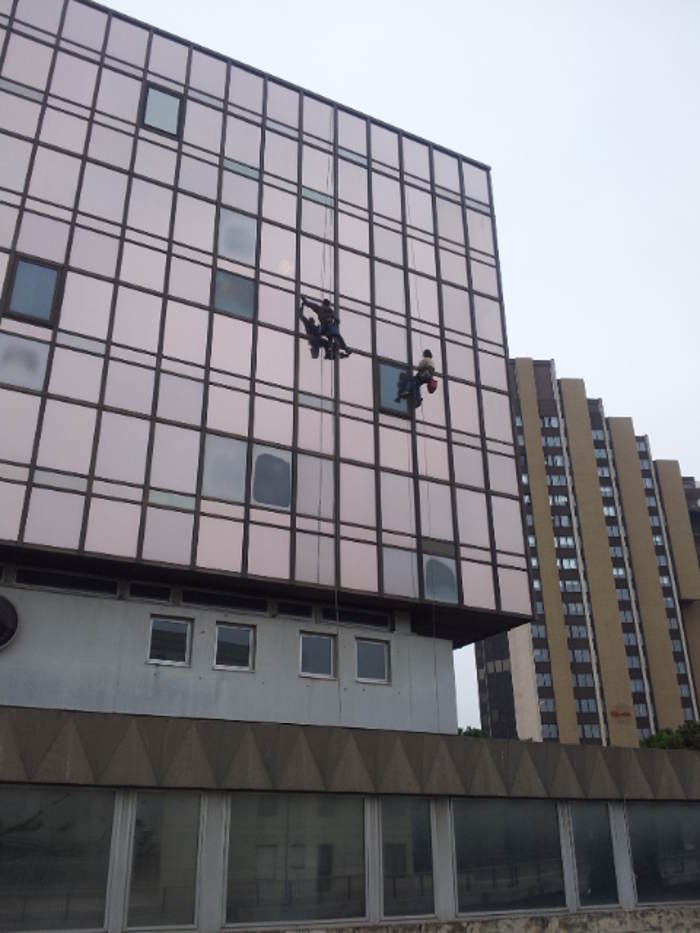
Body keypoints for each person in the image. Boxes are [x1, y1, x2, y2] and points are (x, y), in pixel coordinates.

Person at [300, 296, 352, 360]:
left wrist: (304, 302)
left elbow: (311, 305)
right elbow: (336, 321)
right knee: (335, 337)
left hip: (323, 331)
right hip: (324, 332)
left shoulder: (321, 310)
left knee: (329, 340)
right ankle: (338, 351)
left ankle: (332, 353)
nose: (313, 320)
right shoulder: (309, 324)